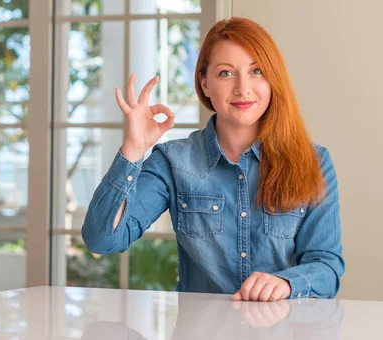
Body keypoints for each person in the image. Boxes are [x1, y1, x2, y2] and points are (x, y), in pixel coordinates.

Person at [81, 17, 344, 301]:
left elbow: (327, 268)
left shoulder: (314, 161)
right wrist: (132, 149)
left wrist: (286, 283)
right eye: (226, 73)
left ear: (272, 80)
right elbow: (102, 239)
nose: (243, 88)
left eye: (257, 71)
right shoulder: (173, 161)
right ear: (204, 84)